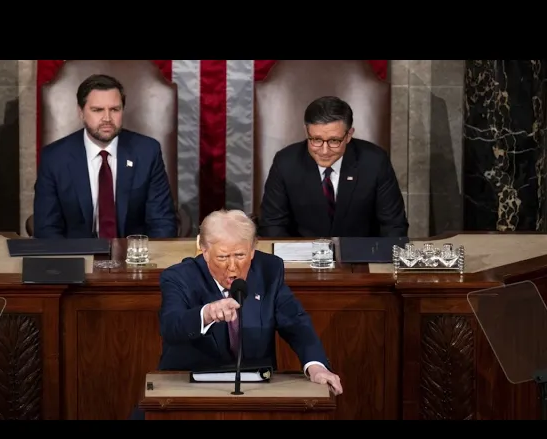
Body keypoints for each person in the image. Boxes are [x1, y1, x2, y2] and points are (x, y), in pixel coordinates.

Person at [158, 209, 342, 391]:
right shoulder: (179, 277)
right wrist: (205, 314)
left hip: (254, 388)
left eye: (240, 255)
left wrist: (316, 366)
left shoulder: (268, 271)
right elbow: (171, 325)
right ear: (205, 251)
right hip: (190, 387)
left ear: (252, 250)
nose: (232, 267)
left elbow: (295, 322)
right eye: (222, 257)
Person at [33, 73, 178, 239]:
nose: (107, 118)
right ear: (81, 112)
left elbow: (162, 222)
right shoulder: (54, 158)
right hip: (76, 253)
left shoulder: (147, 152)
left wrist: (148, 254)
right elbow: (47, 228)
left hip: (133, 253)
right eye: (97, 110)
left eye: (115, 109)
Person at [258, 95, 408, 238]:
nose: (324, 151)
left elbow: (393, 226)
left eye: (334, 141)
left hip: (361, 253)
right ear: (306, 131)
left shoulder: (375, 161)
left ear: (349, 135)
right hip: (301, 253)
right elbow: (272, 224)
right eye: (316, 140)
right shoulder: (285, 163)